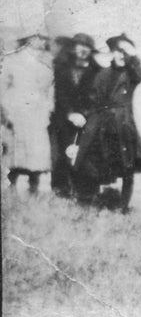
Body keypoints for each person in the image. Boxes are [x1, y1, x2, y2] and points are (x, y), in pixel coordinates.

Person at [73, 33, 141, 212]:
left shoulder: (131, 74)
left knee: (127, 167)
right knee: (97, 162)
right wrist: (86, 116)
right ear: (112, 53)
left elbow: (139, 74)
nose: (121, 55)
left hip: (123, 124)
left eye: (125, 52)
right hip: (103, 124)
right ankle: (94, 203)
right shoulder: (103, 74)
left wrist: (132, 56)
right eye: (117, 51)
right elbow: (94, 99)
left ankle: (123, 207)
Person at [49, 33, 101, 198]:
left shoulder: (96, 71)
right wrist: (70, 113)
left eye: (87, 47)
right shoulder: (60, 68)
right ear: (73, 47)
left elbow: (97, 96)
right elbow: (58, 94)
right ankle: (61, 194)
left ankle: (85, 195)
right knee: (60, 157)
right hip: (62, 120)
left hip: (86, 121)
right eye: (80, 45)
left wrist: (85, 115)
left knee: (85, 157)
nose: (83, 50)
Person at [1, 34, 53, 193]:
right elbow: (3, 87)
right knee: (15, 155)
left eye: (45, 38)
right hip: (16, 114)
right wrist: (6, 111)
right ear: (30, 39)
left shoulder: (45, 63)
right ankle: (11, 190)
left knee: (36, 157)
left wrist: (47, 110)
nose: (44, 41)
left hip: (37, 115)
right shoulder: (12, 61)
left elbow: (48, 89)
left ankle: (34, 190)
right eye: (40, 38)